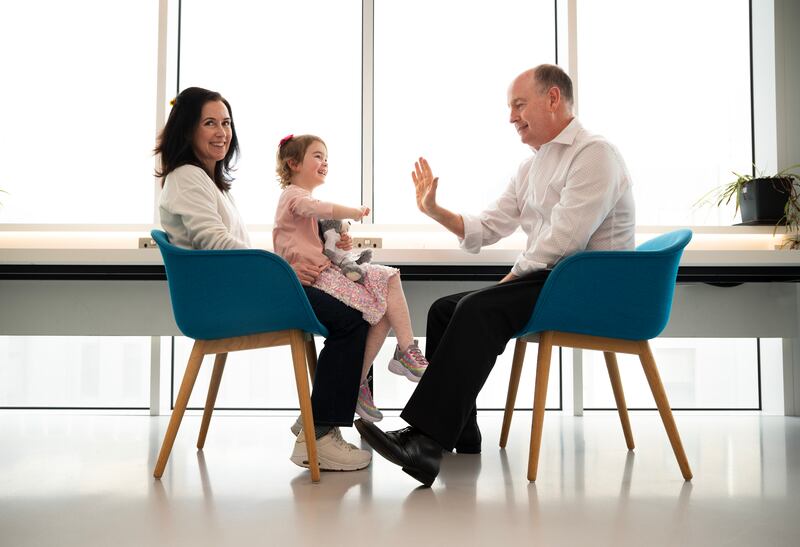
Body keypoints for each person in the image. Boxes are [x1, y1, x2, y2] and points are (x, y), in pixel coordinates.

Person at [355, 64, 636, 486]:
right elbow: (487, 227)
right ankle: (460, 434)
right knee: (446, 310)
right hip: (554, 282)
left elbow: (565, 239)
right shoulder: (531, 168)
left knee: (477, 309)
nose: (511, 117)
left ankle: (425, 442)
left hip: (590, 288)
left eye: (519, 105)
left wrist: (510, 280)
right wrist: (434, 210)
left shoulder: (594, 155)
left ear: (553, 98)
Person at [155, 87, 372, 473]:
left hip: (234, 293)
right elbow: (217, 245)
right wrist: (284, 272)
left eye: (226, 123)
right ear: (187, 129)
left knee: (349, 309)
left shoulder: (207, 180)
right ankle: (319, 435)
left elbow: (228, 247)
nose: (222, 132)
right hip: (228, 303)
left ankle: (317, 422)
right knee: (352, 317)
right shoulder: (187, 178)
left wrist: (286, 268)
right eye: (210, 123)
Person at [273, 134, 429, 434]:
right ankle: (376, 371)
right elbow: (316, 208)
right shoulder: (293, 196)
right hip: (314, 279)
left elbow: (321, 238)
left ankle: (401, 353)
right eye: (317, 156)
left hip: (326, 271)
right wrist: (353, 212)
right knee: (381, 296)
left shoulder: (305, 205)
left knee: (386, 286)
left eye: (326, 157)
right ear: (293, 163)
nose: (324, 162)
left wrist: (339, 240)